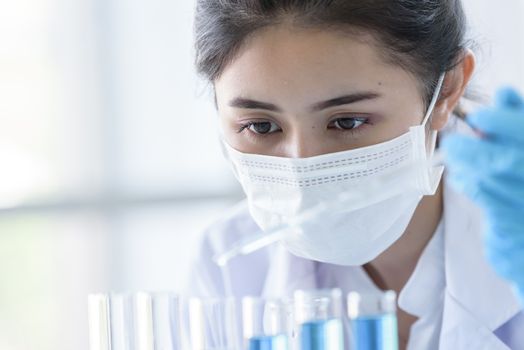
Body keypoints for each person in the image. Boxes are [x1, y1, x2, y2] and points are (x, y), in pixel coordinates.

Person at [187, 1, 524, 349]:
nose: (303, 169)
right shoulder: (228, 268)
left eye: (347, 121)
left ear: (446, 90)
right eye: (261, 126)